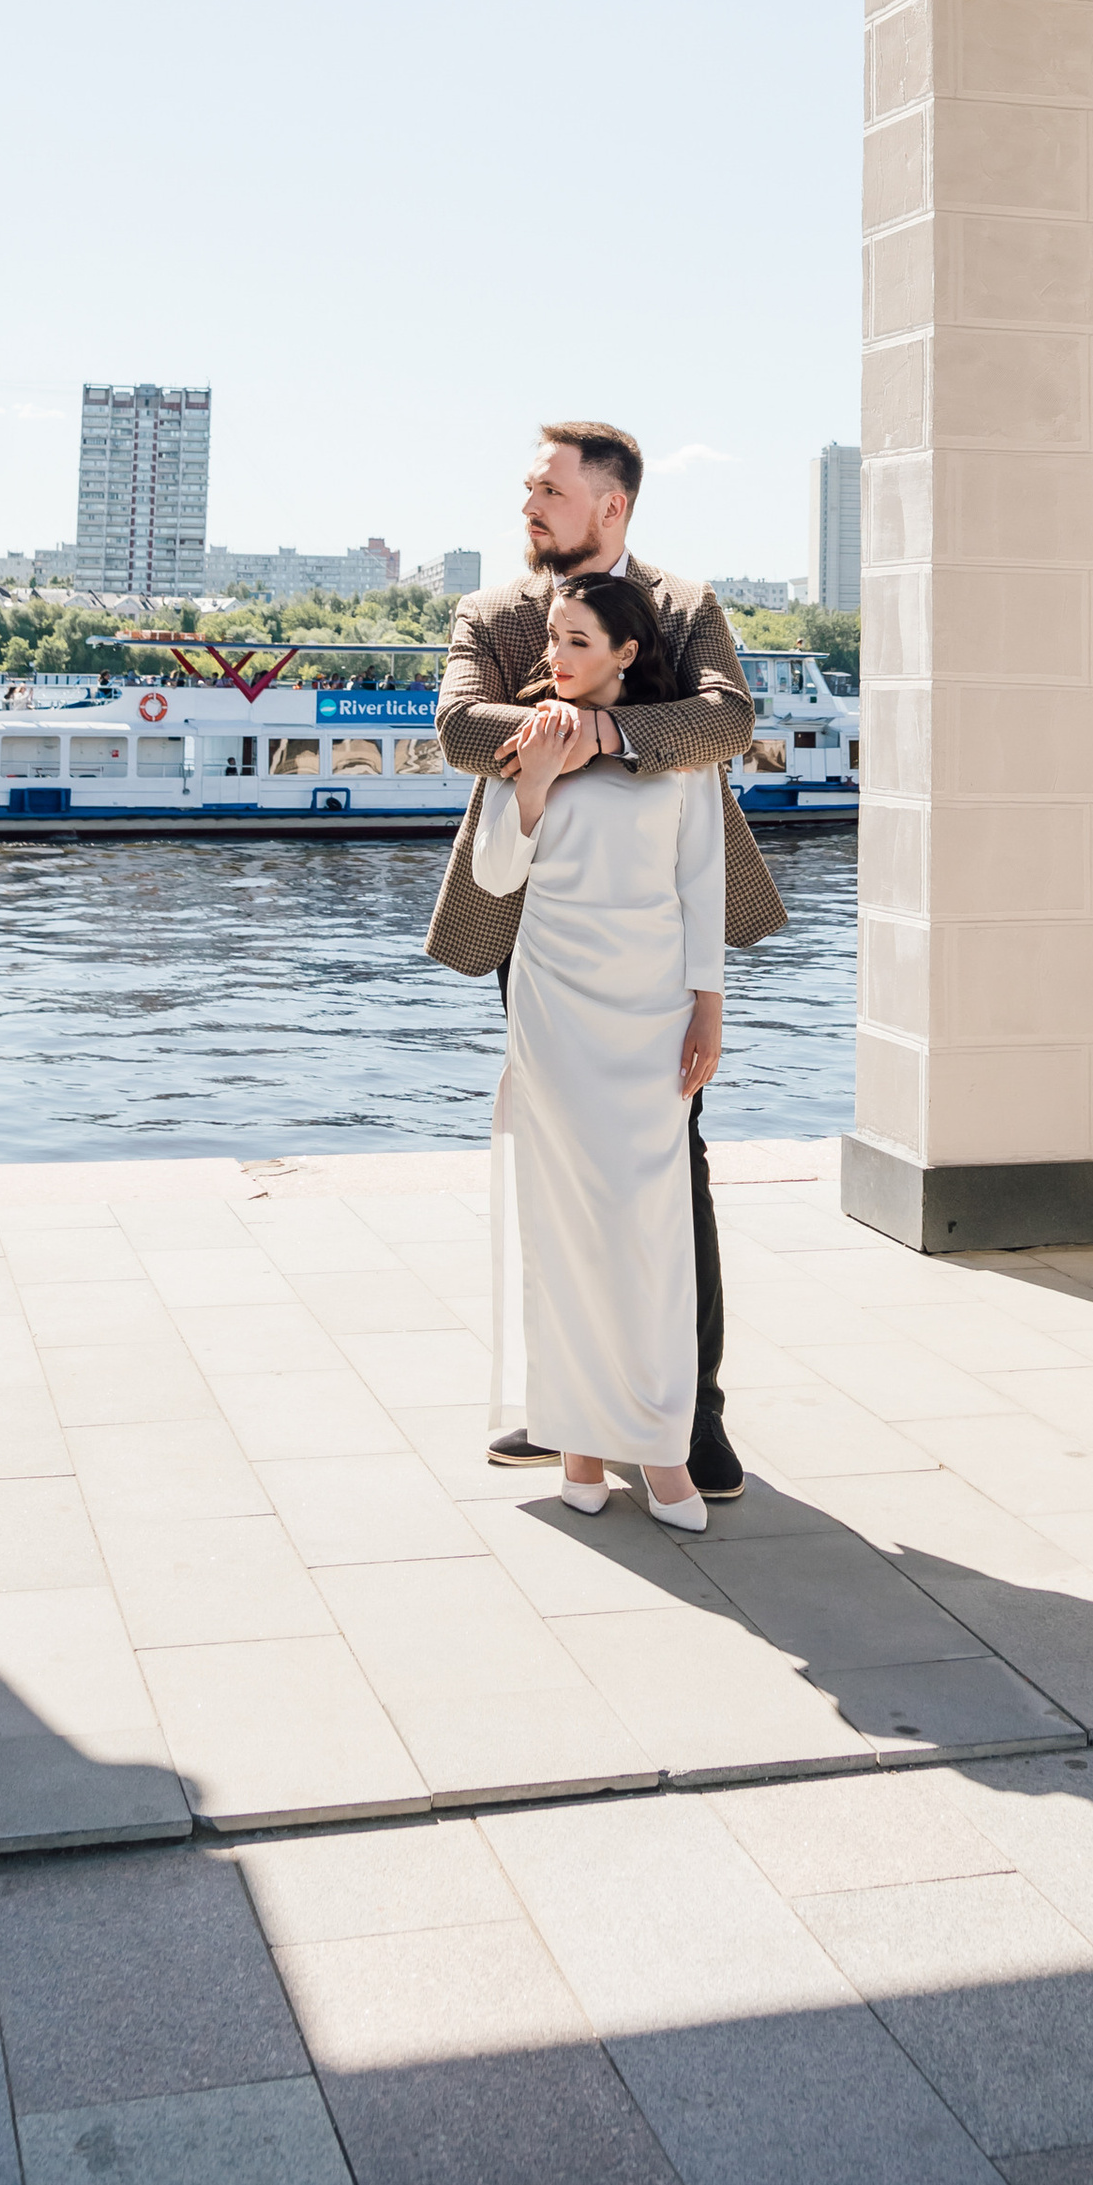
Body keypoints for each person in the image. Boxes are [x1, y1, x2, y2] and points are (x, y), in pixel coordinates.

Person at [430, 418, 785, 1504]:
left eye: (546, 491)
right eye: (528, 491)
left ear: (610, 506)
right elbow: (455, 730)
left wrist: (605, 738)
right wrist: (564, 723)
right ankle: (569, 1407)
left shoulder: (683, 608)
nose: (527, 507)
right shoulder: (491, 613)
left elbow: (726, 721)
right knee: (555, 1168)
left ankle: (692, 1415)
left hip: (656, 939)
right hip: (535, 931)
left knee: (670, 1169)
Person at [469, 575, 721, 1525]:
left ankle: (663, 1449)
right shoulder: (531, 737)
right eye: (550, 640)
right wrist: (530, 784)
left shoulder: (678, 750)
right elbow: (497, 875)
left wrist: (709, 1009)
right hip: (555, 1006)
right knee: (566, 1220)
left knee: (651, 1230)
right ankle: (576, 1443)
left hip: (654, 1008)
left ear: (625, 651)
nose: (556, 658)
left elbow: (701, 887)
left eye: (577, 641)